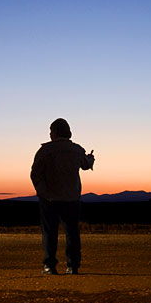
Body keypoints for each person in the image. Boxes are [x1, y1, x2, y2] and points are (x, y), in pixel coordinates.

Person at [30, 118, 94, 275]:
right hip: (71, 198)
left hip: (49, 198)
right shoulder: (76, 149)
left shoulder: (44, 151)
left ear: (54, 132)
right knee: (72, 232)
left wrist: (42, 191)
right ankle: (73, 266)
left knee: (50, 233)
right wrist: (91, 158)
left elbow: (35, 173)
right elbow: (86, 164)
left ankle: (49, 266)